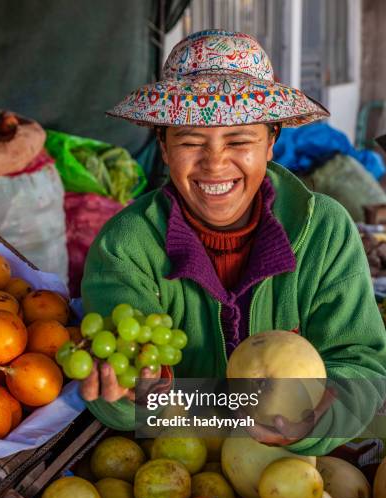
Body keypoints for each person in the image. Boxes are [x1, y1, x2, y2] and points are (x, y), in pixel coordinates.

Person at [80, 29, 386, 455]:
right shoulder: (125, 245)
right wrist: (131, 398)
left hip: (300, 468)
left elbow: (363, 365)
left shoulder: (325, 230)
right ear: (164, 148)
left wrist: (316, 421)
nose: (215, 163)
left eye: (240, 140)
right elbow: (116, 391)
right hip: (176, 471)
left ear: (271, 143)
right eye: (190, 141)